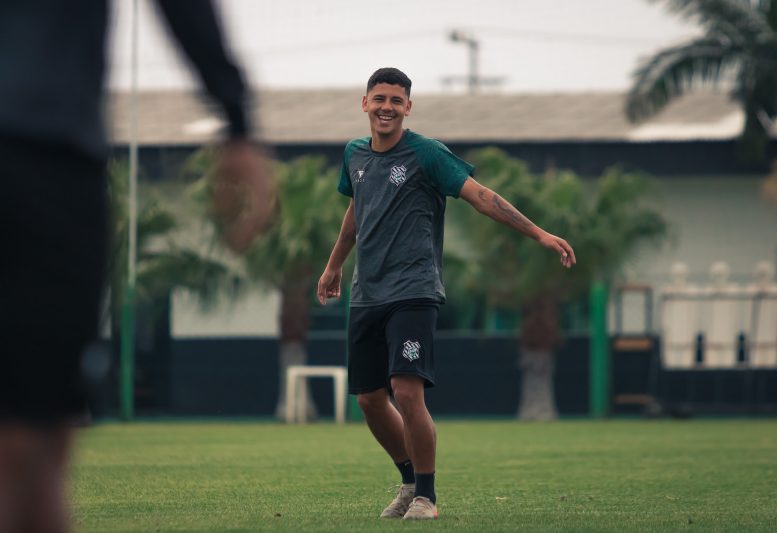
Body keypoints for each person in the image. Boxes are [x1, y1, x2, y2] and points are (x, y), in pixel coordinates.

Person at [0, 1, 274, 531]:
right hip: (43, 153)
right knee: (31, 442)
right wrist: (236, 119)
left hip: (45, 149)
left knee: (36, 442)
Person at [316, 67, 576, 521]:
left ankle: (427, 497)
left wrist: (539, 234)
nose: (387, 107)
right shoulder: (354, 154)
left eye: (396, 100)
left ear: (408, 107)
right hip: (367, 293)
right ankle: (408, 483)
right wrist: (334, 264)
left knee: (406, 392)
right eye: (379, 98)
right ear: (365, 103)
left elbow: (481, 196)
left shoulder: (427, 154)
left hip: (413, 290)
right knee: (369, 399)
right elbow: (356, 209)